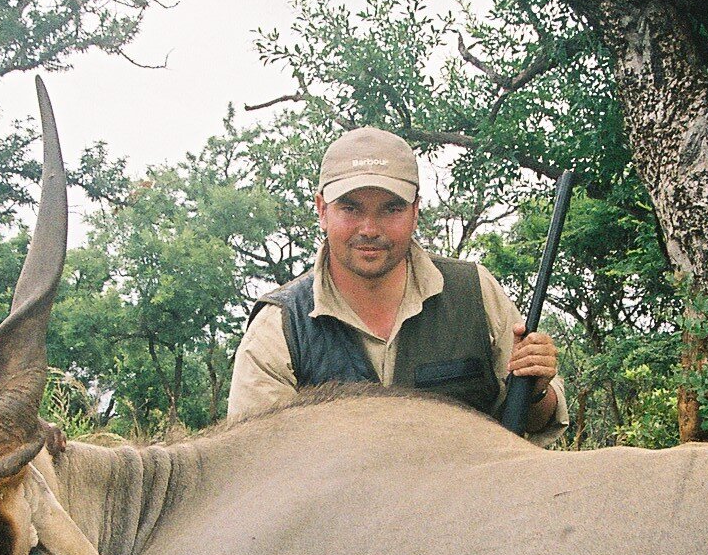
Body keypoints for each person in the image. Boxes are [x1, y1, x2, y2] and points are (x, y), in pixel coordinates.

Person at [227, 127, 569, 444]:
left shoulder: (475, 291)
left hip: (473, 506)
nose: (370, 228)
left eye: (391, 209)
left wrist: (536, 389)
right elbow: (255, 466)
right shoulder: (281, 325)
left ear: (415, 210)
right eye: (350, 208)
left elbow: (539, 424)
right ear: (322, 210)